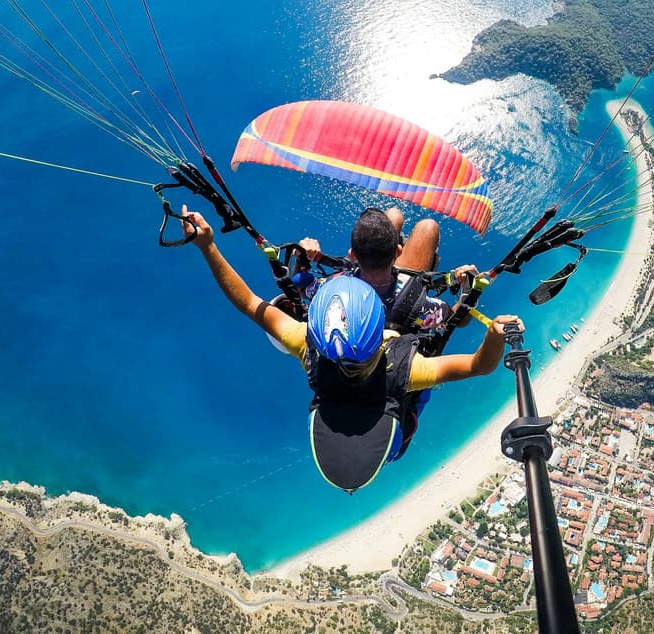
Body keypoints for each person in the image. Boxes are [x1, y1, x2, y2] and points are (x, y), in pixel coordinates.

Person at [181, 206, 522, 493]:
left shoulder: (310, 345)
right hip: (387, 433)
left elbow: (248, 302)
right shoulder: (406, 369)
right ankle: (396, 239)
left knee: (391, 217)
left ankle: (390, 235)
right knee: (424, 227)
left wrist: (207, 246)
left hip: (364, 427)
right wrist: (489, 328)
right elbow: (478, 363)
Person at [296, 206, 477, 338]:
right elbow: (458, 320)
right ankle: (385, 246)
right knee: (428, 227)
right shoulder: (420, 307)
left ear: (352, 255)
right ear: (398, 251)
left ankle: (378, 246)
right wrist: (469, 290)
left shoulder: (333, 286)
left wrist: (302, 257)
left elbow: (301, 288)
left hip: (376, 295)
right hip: (402, 300)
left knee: (393, 215)